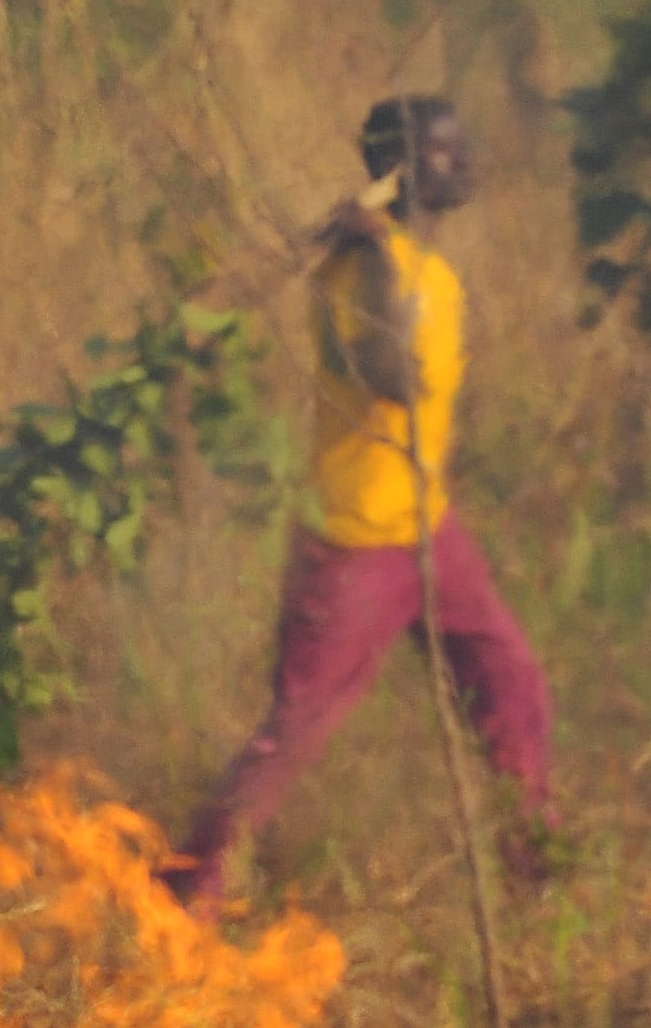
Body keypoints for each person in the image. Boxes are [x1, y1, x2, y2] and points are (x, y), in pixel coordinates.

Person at [163, 96, 553, 919]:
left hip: (427, 529)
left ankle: (536, 862)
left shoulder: (430, 270)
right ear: (405, 170)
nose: (469, 163)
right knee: (298, 727)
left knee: (509, 681)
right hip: (352, 546)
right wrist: (374, 256)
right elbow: (393, 376)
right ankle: (189, 887)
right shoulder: (354, 275)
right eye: (448, 153)